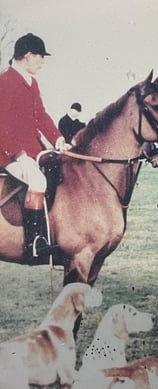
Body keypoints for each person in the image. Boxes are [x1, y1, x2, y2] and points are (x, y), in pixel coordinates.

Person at [0, 33, 69, 263]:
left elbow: (41, 115)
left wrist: (58, 139)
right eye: (40, 57)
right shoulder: (4, 81)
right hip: (9, 154)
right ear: (27, 56)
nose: (42, 62)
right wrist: (17, 153)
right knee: (38, 182)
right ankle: (34, 244)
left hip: (33, 150)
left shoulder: (32, 82)